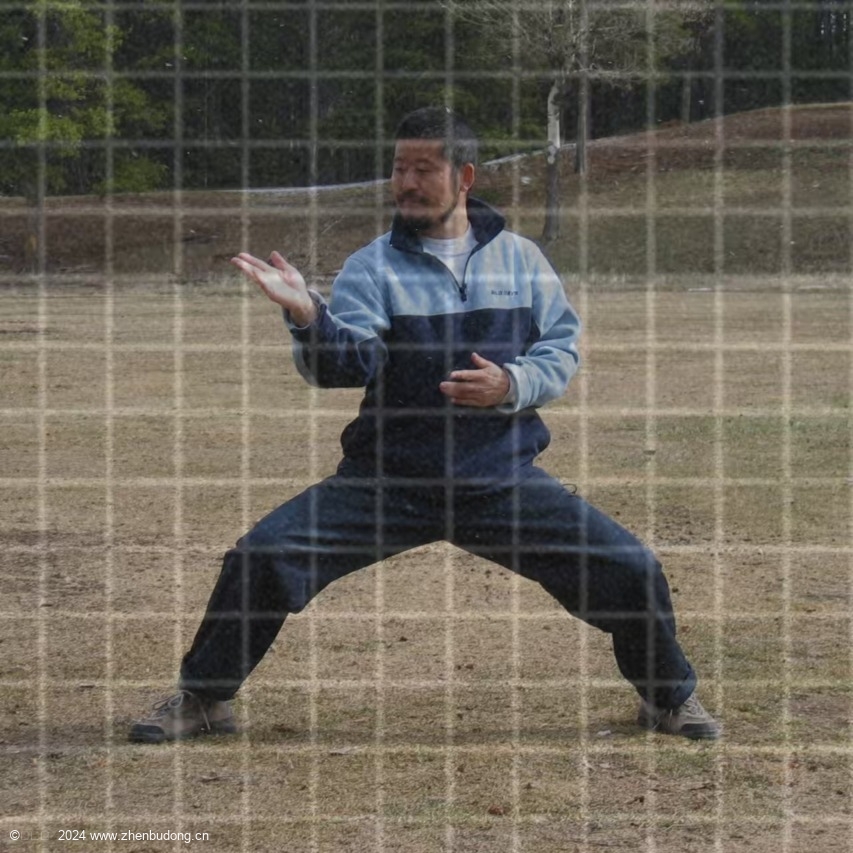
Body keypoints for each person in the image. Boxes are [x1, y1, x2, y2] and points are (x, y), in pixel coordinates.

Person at [129, 107, 720, 744]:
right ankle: (205, 698)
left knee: (629, 569)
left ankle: (666, 698)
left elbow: (561, 349)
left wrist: (512, 384)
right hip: (388, 482)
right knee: (263, 558)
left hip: (500, 481)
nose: (406, 183)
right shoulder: (371, 267)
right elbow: (347, 366)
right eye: (398, 169)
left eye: (423, 169)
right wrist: (307, 317)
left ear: (464, 176)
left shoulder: (521, 260)